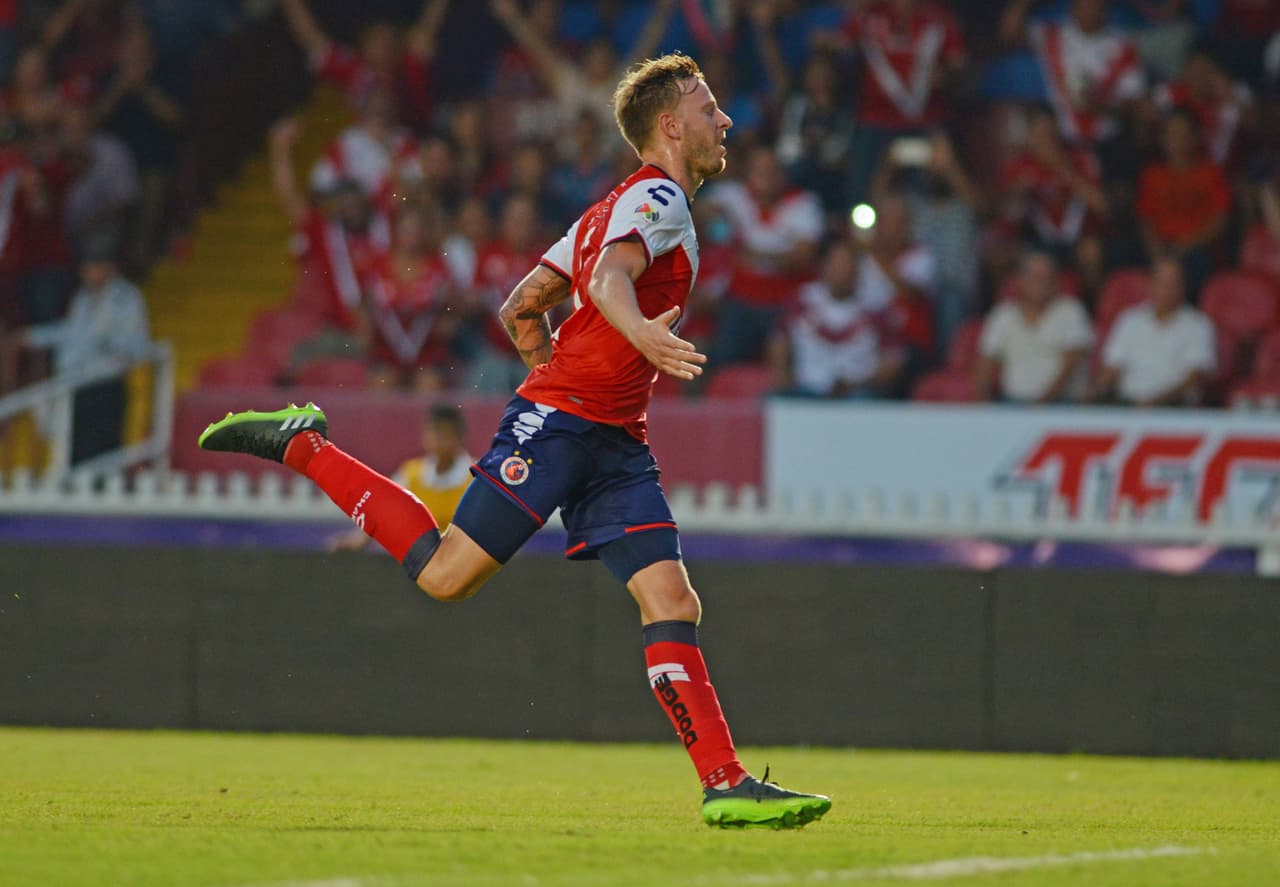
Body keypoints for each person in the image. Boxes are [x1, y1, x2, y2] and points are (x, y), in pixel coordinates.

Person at [198, 53, 830, 830]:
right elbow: (605, 286)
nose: (723, 120)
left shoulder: (607, 208)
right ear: (669, 124)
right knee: (443, 576)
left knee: (672, 598)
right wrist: (625, 350)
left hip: (610, 439)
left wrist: (566, 371)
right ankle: (305, 446)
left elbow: (522, 306)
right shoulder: (659, 197)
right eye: (708, 108)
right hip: (569, 426)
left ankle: (725, 783)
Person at [23, 234, 150, 463]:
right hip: (77, 386)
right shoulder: (82, 299)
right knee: (75, 453)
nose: (85, 273)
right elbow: (70, 333)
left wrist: (106, 343)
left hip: (106, 387)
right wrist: (33, 336)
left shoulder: (127, 299)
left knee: (103, 455)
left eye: (90, 267)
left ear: (107, 268)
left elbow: (137, 346)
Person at [279, 0, 449, 134]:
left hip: (418, 142)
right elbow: (311, 37)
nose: (385, 43)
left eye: (390, 38)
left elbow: (429, 24)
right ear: (363, 47)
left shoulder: (410, 65)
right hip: (372, 149)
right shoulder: (354, 71)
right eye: (377, 39)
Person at [767, 237, 904, 399]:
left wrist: (858, 383)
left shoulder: (876, 307)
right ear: (823, 267)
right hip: (806, 388)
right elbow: (779, 339)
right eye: (838, 264)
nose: (845, 271)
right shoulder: (802, 301)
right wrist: (782, 371)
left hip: (857, 392)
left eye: (850, 264)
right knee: (775, 398)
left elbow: (893, 361)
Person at [329, 405, 471, 552]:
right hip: (421, 563)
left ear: (459, 438)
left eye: (445, 435)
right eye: (434, 433)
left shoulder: (476, 478)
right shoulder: (411, 474)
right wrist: (358, 541)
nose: (438, 441)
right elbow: (383, 511)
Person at [1092, 255, 1215, 406]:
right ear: (1150, 284)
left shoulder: (1198, 325)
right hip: (1127, 404)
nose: (1165, 289)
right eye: (1160, 282)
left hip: (1173, 407)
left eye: (1172, 283)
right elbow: (1113, 365)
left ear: (1183, 287)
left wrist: (1156, 402)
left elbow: (1196, 376)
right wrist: (1098, 389)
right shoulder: (1130, 319)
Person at [1134, 108, 1232, 300]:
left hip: (1195, 249)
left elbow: (1220, 223)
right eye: (1171, 133)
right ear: (1162, 137)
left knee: (1197, 262)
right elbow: (1144, 219)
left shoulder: (1211, 173)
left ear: (1195, 137)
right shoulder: (1152, 175)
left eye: (1183, 133)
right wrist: (1155, 249)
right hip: (1159, 247)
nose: (1177, 139)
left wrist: (1185, 245)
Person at [975, 249, 1093, 404]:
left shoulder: (1071, 310)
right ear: (1021, 281)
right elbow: (985, 364)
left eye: (1047, 278)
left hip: (1061, 403)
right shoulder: (1003, 314)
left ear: (1056, 281)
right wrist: (982, 406)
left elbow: (1070, 365)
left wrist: (1040, 406)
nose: (1041, 284)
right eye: (1035, 278)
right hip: (1012, 402)